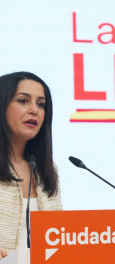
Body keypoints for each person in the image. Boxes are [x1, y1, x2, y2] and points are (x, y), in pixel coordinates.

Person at [0, 72, 62, 259]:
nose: (34, 110)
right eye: (23, 101)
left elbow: (59, 236)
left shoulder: (47, 168)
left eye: (41, 104)